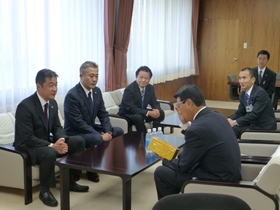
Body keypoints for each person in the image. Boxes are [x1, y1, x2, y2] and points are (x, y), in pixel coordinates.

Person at [14, 69, 89, 207]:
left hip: (45, 142)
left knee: (78, 141)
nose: (55, 89)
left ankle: (70, 181)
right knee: (50, 152)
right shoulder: (25, 106)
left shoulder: (52, 103)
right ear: (39, 86)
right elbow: (27, 137)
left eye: (56, 84)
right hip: (28, 146)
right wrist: (52, 146)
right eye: (50, 85)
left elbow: (57, 127)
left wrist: (61, 140)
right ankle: (45, 191)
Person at [154, 84, 241, 200]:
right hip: (229, 174)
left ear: (189, 103)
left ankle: (170, 205)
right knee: (179, 159)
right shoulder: (217, 116)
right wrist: (185, 124)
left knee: (161, 172)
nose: (178, 111)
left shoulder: (198, 129)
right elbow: (197, 146)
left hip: (217, 180)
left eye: (179, 106)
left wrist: (164, 158)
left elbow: (182, 166)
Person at [64, 61, 124, 182]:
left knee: (118, 131)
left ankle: (111, 162)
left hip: (90, 128)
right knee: (97, 139)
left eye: (96, 76)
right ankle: (92, 170)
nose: (94, 79)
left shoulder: (96, 91)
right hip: (75, 132)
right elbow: (78, 123)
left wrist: (107, 131)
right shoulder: (72, 95)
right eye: (91, 76)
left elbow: (103, 114)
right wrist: (99, 135)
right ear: (81, 76)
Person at [228, 67, 276, 138]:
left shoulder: (260, 93)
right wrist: (229, 119)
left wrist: (235, 122)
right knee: (229, 128)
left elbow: (254, 114)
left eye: (244, 78)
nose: (241, 81)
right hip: (252, 123)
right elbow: (240, 112)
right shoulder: (243, 94)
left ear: (253, 80)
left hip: (263, 126)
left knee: (235, 130)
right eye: (240, 78)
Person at [118, 66, 165, 132]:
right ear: (136, 77)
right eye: (141, 77)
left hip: (141, 112)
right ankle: (143, 138)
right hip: (127, 113)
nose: (143, 80)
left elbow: (154, 102)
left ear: (149, 79)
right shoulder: (129, 89)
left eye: (146, 78)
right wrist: (148, 113)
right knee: (138, 117)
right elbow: (131, 108)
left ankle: (156, 134)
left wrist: (157, 110)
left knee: (161, 113)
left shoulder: (150, 88)